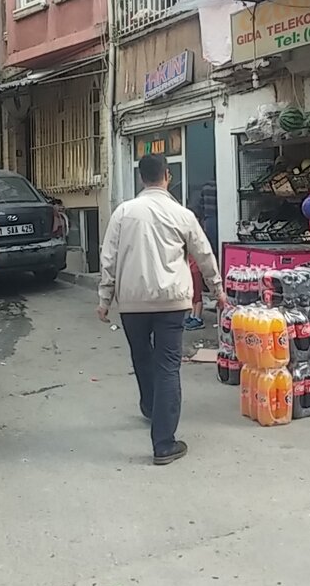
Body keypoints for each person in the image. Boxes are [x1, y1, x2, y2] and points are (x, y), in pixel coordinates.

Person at [97, 154, 226, 465]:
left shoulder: (123, 213)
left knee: (142, 357)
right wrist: (218, 291)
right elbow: (204, 254)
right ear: (167, 176)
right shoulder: (181, 214)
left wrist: (104, 299)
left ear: (142, 178)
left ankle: (150, 406)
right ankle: (164, 443)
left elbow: (109, 258)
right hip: (172, 303)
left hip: (132, 303)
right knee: (168, 366)